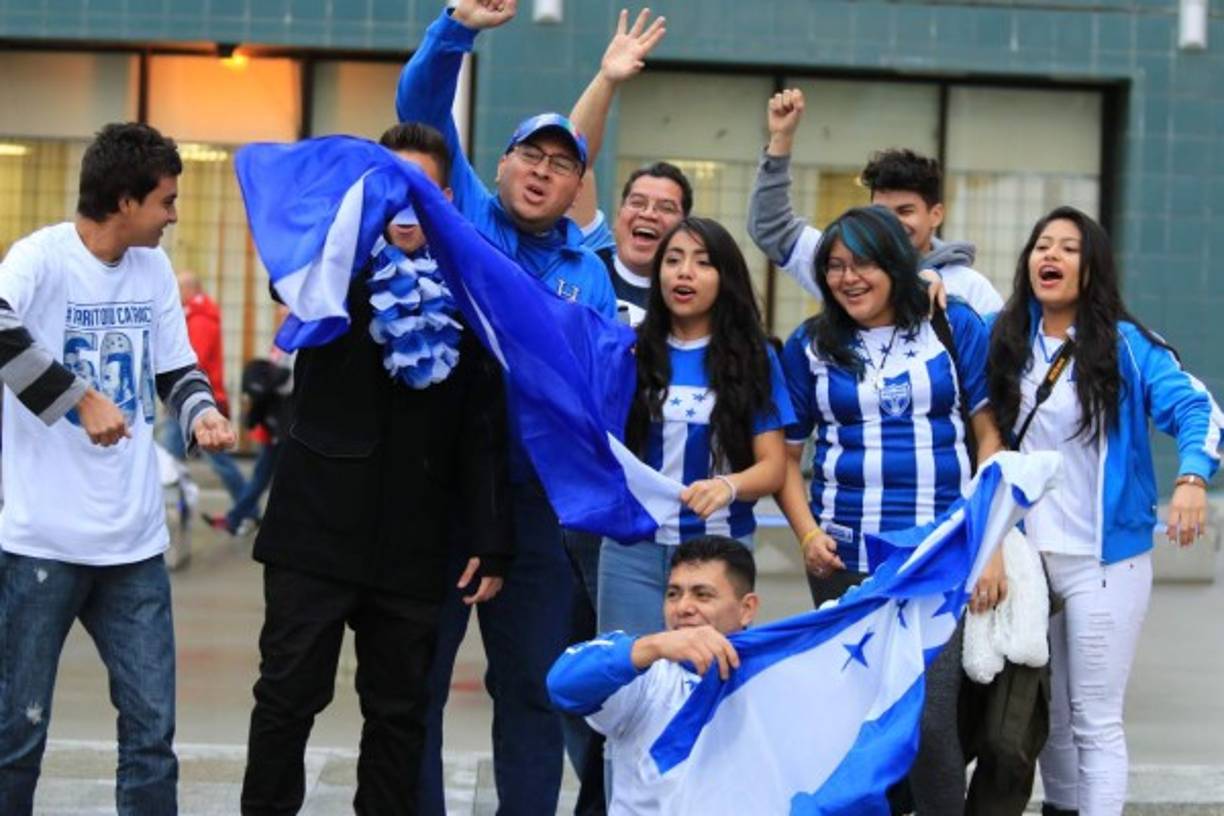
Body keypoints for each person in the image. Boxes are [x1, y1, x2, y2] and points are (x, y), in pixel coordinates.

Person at [240, 122, 511, 815]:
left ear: (444, 200)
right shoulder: (329, 269)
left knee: (399, 715)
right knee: (286, 700)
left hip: (414, 544)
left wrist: (490, 538)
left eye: (420, 190)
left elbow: (481, 431)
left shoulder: (471, 295)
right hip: (313, 536)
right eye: (389, 187)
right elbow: (283, 259)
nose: (403, 205)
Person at [396, 2, 621, 812]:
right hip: (441, 491)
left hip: (536, 508)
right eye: (530, 154)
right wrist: (454, 28)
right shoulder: (460, 212)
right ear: (499, 164)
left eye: (561, 164)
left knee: (531, 686)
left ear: (577, 188)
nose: (541, 171)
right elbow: (421, 109)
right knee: (417, 681)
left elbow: (599, 397)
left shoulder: (590, 275)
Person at [0, 122, 235, 815]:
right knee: (17, 734)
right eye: (166, 201)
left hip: (133, 547)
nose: (173, 215)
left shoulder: (152, 270)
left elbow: (175, 366)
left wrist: (201, 412)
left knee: (151, 736)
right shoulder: (40, 259)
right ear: (126, 201)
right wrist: (80, 397)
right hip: (41, 544)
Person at [985, 206, 1219, 816]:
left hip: (1104, 563)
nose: (1051, 256)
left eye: (1069, 248)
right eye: (1043, 245)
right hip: (1027, 563)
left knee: (1093, 717)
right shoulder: (1002, 337)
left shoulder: (1127, 346)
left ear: (1093, 268)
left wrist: (1192, 479)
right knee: (1051, 720)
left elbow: (1197, 408)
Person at [775, 205, 1005, 814]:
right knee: (857, 720)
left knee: (929, 723)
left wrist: (990, 542)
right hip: (845, 561)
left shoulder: (952, 323)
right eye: (835, 266)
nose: (848, 278)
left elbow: (990, 436)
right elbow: (786, 459)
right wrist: (806, 534)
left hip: (937, 557)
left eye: (864, 263)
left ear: (896, 264)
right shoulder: (808, 346)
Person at [601, 216, 793, 639]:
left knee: (706, 672)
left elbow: (773, 468)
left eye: (703, 262)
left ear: (726, 277)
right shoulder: (628, 349)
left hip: (719, 552)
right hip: (632, 549)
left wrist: (727, 486)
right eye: (672, 260)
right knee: (628, 672)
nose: (684, 272)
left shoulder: (755, 357)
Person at [548, 536, 759, 816]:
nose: (683, 607)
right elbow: (562, 685)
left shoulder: (774, 678)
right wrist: (653, 646)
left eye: (702, 595)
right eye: (673, 594)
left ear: (747, 609)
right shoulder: (644, 673)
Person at [748, 87, 1003, 317]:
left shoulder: (970, 288)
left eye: (905, 211)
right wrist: (781, 138)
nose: (892, 223)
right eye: (882, 212)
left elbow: (1000, 352)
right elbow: (771, 228)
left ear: (935, 214)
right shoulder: (842, 267)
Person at [567, 9, 677, 328]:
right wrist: (607, 79)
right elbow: (577, 161)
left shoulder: (689, 295)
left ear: (685, 228)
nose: (649, 214)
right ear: (618, 215)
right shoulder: (591, 258)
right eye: (638, 202)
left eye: (666, 208)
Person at [159, 270, 248, 509]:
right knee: (175, 457)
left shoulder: (199, 319)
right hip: (198, 397)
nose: (175, 294)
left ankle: (246, 508)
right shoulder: (199, 315)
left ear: (190, 289)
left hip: (197, 400)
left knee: (207, 460)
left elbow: (192, 362)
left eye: (179, 288)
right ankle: (177, 507)